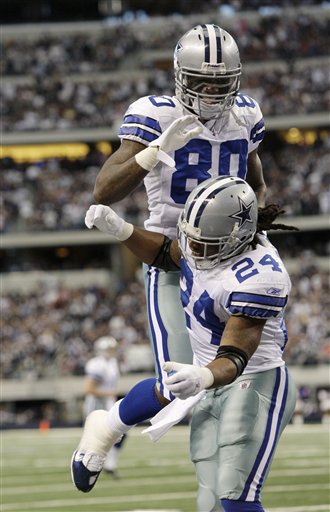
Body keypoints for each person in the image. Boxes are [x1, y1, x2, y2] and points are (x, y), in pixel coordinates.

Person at [72, 176, 297, 512]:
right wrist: (123, 230)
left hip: (254, 378)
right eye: (191, 238)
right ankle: (107, 427)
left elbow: (235, 355)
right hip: (208, 379)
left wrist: (202, 377)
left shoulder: (261, 277)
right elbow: (167, 253)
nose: (192, 249)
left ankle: (108, 426)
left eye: (203, 244)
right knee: (209, 500)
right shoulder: (206, 240)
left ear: (237, 239)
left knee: (236, 493)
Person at [91, 24, 266, 406]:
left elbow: (257, 184)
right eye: (200, 82)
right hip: (168, 253)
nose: (211, 92)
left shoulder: (247, 114)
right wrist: (154, 150)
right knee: (177, 382)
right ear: (180, 77)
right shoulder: (154, 114)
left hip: (228, 264)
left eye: (220, 83)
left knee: (231, 374)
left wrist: (257, 226)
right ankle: (104, 430)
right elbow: (104, 190)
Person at [82, 336, 126, 478]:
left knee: (120, 432)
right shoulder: (96, 364)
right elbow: (89, 389)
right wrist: (111, 393)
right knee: (95, 438)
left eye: (113, 349)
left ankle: (110, 464)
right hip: (97, 404)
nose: (112, 352)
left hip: (108, 403)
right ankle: (85, 466)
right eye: (109, 349)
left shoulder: (112, 362)